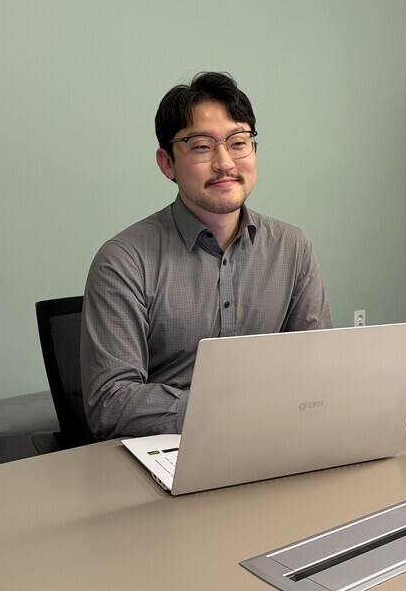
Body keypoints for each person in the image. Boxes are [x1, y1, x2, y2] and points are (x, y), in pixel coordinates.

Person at [80, 71, 333, 439]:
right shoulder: (123, 261)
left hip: (275, 441)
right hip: (169, 452)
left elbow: (318, 366)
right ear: (167, 163)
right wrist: (228, 413)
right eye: (201, 146)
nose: (225, 163)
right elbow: (111, 403)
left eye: (238, 142)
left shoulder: (292, 247)